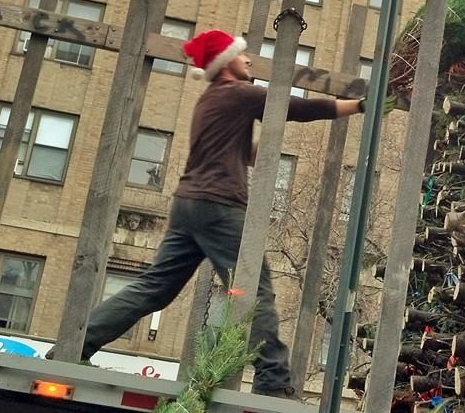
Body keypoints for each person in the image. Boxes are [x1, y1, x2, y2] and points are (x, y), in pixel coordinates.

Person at [62, 29, 365, 399]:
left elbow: (235, 151)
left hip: (188, 205)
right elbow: (298, 108)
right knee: (253, 292)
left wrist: (257, 154)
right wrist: (360, 106)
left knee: (155, 288)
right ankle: (273, 382)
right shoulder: (238, 94)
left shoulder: (208, 101)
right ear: (226, 64)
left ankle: (75, 345)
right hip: (219, 207)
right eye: (243, 55)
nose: (250, 60)